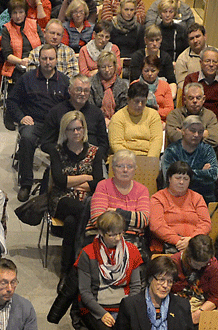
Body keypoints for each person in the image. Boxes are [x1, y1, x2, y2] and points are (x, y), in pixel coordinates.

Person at [7, 44, 70, 200]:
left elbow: (71, 106)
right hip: (33, 122)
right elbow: (12, 101)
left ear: (57, 60)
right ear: (38, 60)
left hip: (57, 126)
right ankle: (26, 184)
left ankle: (59, 183)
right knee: (27, 139)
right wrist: (21, 117)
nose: (48, 62)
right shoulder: (27, 79)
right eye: (44, 58)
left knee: (71, 141)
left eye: (51, 58)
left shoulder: (64, 81)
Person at [48, 110, 106, 269]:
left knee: (71, 222)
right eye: (71, 129)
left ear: (84, 129)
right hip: (62, 199)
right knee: (82, 211)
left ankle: (67, 268)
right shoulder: (56, 151)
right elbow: (59, 182)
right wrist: (86, 177)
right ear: (64, 131)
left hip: (86, 198)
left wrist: (72, 182)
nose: (76, 132)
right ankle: (86, 261)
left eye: (79, 128)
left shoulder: (95, 151)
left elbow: (99, 182)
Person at [78, 212, 145, 330]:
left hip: (124, 305)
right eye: (112, 235)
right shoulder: (88, 253)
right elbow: (84, 291)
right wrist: (101, 314)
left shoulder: (132, 251)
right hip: (97, 306)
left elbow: (136, 286)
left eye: (120, 233)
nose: (118, 238)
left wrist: (127, 310)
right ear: (101, 233)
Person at [89, 149, 151, 252]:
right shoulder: (103, 186)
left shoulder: (142, 190)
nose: (125, 170)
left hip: (133, 243)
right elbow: (98, 218)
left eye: (130, 166)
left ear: (135, 169)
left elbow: (143, 220)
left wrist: (114, 212)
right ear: (113, 168)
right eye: (120, 166)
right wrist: (131, 225)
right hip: (104, 239)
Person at [112, 256, 191, 330]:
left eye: (170, 281)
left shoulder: (183, 306)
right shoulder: (130, 305)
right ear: (150, 278)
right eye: (161, 280)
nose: (165, 285)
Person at [148, 162, 210, 254]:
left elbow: (206, 223)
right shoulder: (158, 198)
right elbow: (156, 225)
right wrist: (178, 241)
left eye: (185, 179)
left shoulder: (197, 198)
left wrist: (191, 240)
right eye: (177, 178)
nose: (181, 182)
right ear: (169, 179)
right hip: (168, 245)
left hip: (195, 244)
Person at [39, 75, 110, 154]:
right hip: (62, 158)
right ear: (69, 90)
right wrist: (60, 153)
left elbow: (104, 144)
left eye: (86, 91)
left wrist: (94, 156)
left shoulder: (97, 113)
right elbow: (46, 143)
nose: (82, 94)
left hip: (91, 159)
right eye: (78, 90)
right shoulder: (56, 112)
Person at [170, 235, 218, 323]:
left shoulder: (211, 265)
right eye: (197, 265)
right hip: (177, 305)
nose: (200, 268)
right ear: (188, 258)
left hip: (203, 305)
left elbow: (215, 297)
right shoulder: (173, 263)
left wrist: (199, 313)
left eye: (203, 265)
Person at [109, 82, 164, 157]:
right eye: (136, 101)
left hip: (147, 158)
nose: (140, 105)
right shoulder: (118, 117)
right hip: (124, 159)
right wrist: (130, 161)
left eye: (143, 102)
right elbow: (116, 144)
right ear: (128, 100)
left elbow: (156, 141)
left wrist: (149, 160)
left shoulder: (153, 115)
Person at [165, 83, 218, 148]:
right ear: (185, 100)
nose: (195, 101)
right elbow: (173, 137)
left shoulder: (210, 116)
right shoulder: (174, 115)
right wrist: (203, 134)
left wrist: (183, 133)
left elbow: (214, 140)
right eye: (191, 98)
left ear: (203, 99)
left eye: (198, 98)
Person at [133, 55, 174, 121]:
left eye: (153, 71)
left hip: (160, 121)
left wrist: (153, 113)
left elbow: (170, 109)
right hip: (139, 120)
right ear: (141, 70)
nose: (149, 74)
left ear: (158, 70)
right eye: (146, 71)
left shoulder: (165, 85)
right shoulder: (135, 85)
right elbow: (131, 106)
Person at [96, 52, 129, 122]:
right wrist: (103, 119)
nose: (107, 70)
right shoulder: (92, 83)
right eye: (103, 67)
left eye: (110, 66)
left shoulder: (122, 84)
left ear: (114, 67)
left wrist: (114, 120)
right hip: (96, 120)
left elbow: (124, 107)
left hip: (118, 120)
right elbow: (91, 108)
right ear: (98, 68)